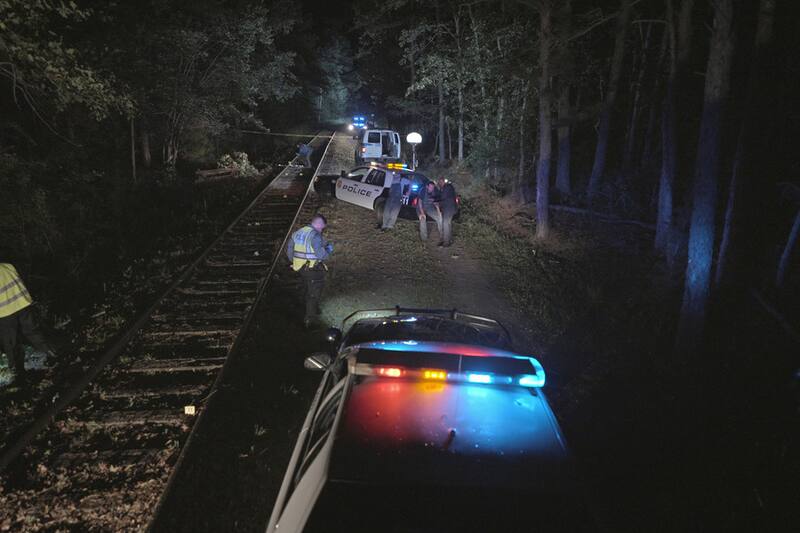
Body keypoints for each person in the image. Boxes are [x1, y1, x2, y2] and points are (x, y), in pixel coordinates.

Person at [0, 262, 56, 387]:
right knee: (33, 331)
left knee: (11, 342)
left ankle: (18, 372)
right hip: (23, 304)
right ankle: (51, 352)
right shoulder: (8, 266)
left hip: (5, 312)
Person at [286, 214, 334, 328]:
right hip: (313, 269)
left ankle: (309, 309)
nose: (322, 230)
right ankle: (310, 321)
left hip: (301, 268)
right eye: (322, 228)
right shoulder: (315, 236)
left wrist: (295, 262)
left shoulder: (298, 233)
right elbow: (321, 255)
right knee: (314, 294)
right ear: (319, 224)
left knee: (307, 288)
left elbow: (289, 251)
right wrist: (328, 250)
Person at [436, 177, 458, 247]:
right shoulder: (446, 188)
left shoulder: (447, 187)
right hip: (448, 209)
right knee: (448, 224)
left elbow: (442, 197)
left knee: (445, 224)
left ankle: (446, 242)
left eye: (440, 182)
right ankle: (448, 240)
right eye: (439, 183)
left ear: (442, 181)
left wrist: (437, 202)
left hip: (449, 209)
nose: (439, 184)